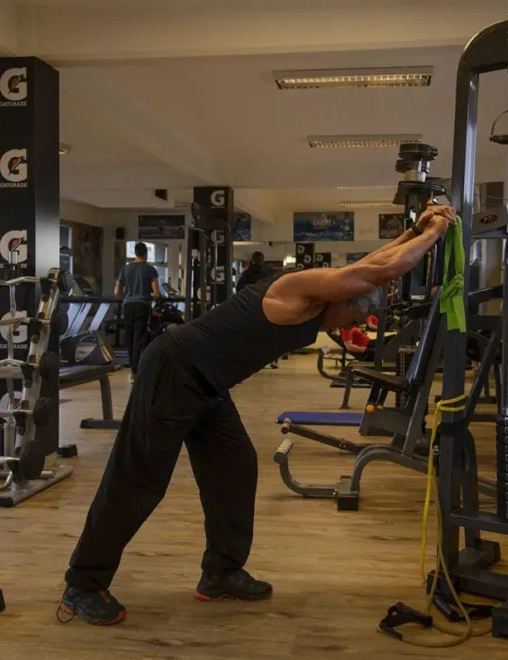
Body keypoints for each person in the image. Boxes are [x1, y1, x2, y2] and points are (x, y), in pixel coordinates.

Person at [57, 204, 457, 626]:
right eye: (353, 315)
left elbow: (371, 264)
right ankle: (82, 584)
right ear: (345, 297)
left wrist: (416, 228)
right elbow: (380, 271)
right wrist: (438, 231)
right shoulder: (295, 291)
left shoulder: (319, 302)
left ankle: (221, 571)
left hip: (208, 382)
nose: (347, 326)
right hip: (175, 369)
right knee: (139, 479)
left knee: (236, 466)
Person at [116, 242, 161, 384]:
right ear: (146, 253)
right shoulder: (150, 269)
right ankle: (136, 369)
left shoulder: (126, 268)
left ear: (135, 253)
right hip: (142, 305)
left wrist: (129, 295)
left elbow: (117, 291)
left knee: (129, 336)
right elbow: (157, 293)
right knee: (139, 336)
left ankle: (132, 369)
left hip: (128, 305)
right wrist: (149, 296)